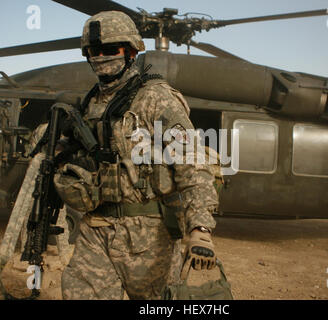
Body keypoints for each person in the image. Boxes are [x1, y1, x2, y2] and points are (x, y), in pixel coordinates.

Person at [58, 11, 219, 300]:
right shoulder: (91, 102)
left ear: (131, 51)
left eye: (110, 49)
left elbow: (192, 162)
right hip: (95, 227)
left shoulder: (156, 98)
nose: (101, 57)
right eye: (94, 50)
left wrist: (200, 228)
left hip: (148, 237)